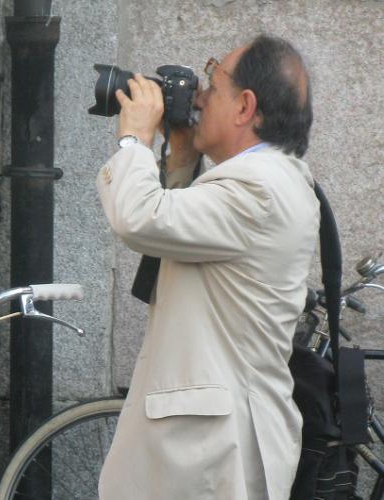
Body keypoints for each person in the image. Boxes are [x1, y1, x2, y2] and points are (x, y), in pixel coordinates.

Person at [97, 34, 320, 500]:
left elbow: (139, 219)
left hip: (212, 455)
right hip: (210, 447)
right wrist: (181, 159)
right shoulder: (265, 180)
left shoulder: (260, 188)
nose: (197, 99)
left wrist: (134, 138)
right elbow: (178, 235)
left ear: (245, 107)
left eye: (212, 86)